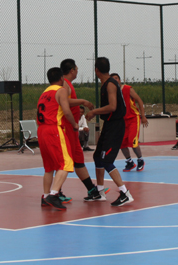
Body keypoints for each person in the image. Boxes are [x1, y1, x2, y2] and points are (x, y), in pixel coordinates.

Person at [85, 57, 134, 206]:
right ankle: (100, 192)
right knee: (97, 157)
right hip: (109, 124)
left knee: (106, 160)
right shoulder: (105, 83)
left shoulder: (111, 84)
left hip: (116, 126)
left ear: (96, 70)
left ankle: (125, 193)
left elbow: (113, 107)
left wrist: (94, 112)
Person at [35, 67, 79, 210]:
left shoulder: (44, 93)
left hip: (41, 130)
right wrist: (74, 124)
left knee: (49, 167)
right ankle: (53, 195)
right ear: (61, 78)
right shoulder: (61, 90)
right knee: (66, 163)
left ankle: (45, 196)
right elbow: (66, 111)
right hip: (53, 129)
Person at [59, 59, 102, 202]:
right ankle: (56, 192)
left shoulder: (68, 84)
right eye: (76, 69)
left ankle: (92, 190)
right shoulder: (64, 84)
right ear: (72, 70)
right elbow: (64, 101)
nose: (77, 71)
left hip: (72, 129)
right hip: (67, 128)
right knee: (64, 160)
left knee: (78, 159)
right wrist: (83, 101)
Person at [111, 73, 149, 171]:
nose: (115, 80)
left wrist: (143, 116)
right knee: (121, 143)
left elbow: (139, 100)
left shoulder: (128, 89)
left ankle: (140, 160)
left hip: (133, 118)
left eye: (116, 78)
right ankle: (129, 162)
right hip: (122, 120)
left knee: (133, 142)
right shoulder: (112, 93)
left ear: (119, 80)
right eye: (113, 79)